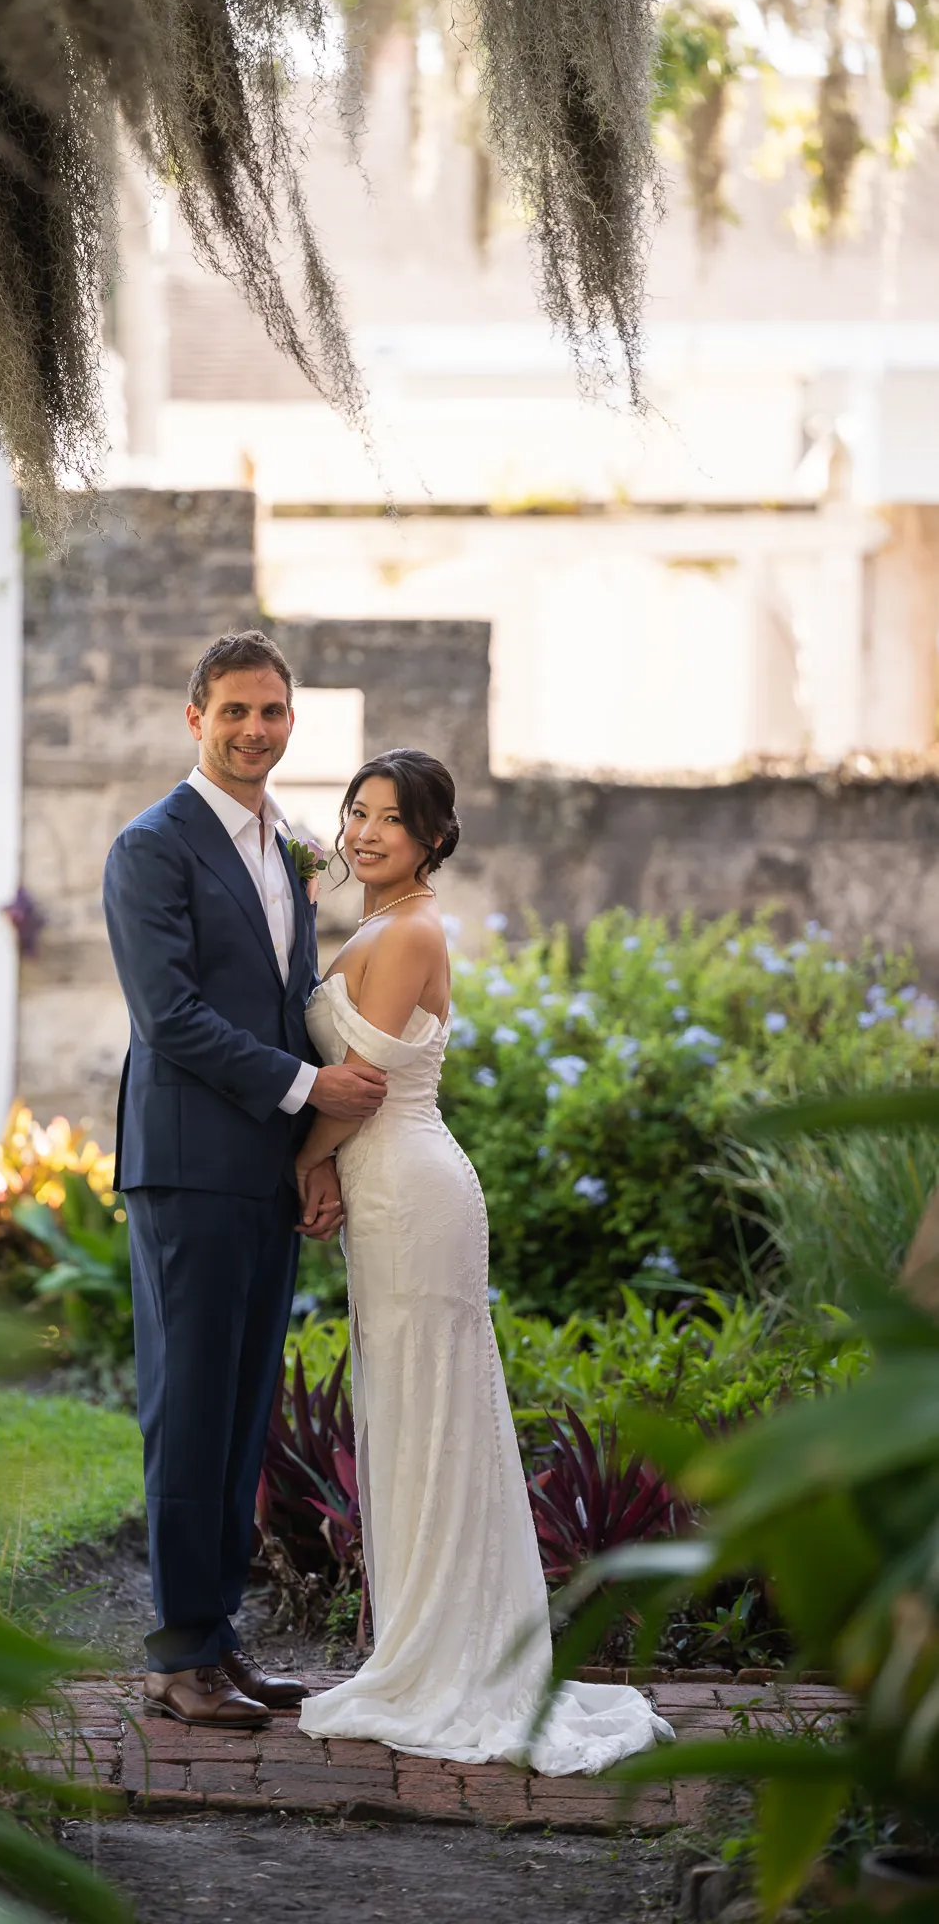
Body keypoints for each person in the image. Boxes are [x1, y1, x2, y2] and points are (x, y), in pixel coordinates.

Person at [295, 749, 675, 1774]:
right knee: (408, 1409)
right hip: (382, 1188)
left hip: (413, 1188)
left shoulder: (412, 927)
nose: (366, 831)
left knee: (431, 1411)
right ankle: (422, 1640)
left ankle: (446, 1660)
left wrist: (306, 1168)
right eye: (356, 812)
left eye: (390, 818)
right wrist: (322, 1172)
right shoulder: (374, 922)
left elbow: (363, 1084)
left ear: (433, 837)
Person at [102, 630, 387, 1729]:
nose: (255, 729)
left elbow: (283, 995)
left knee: (239, 1411)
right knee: (188, 1408)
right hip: (185, 1165)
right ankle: (177, 1653)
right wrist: (308, 1090)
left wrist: (309, 1156)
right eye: (234, 711)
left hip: (261, 1167)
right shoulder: (152, 846)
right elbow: (169, 1018)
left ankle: (218, 1642)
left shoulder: (288, 847)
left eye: (272, 711)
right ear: (195, 718)